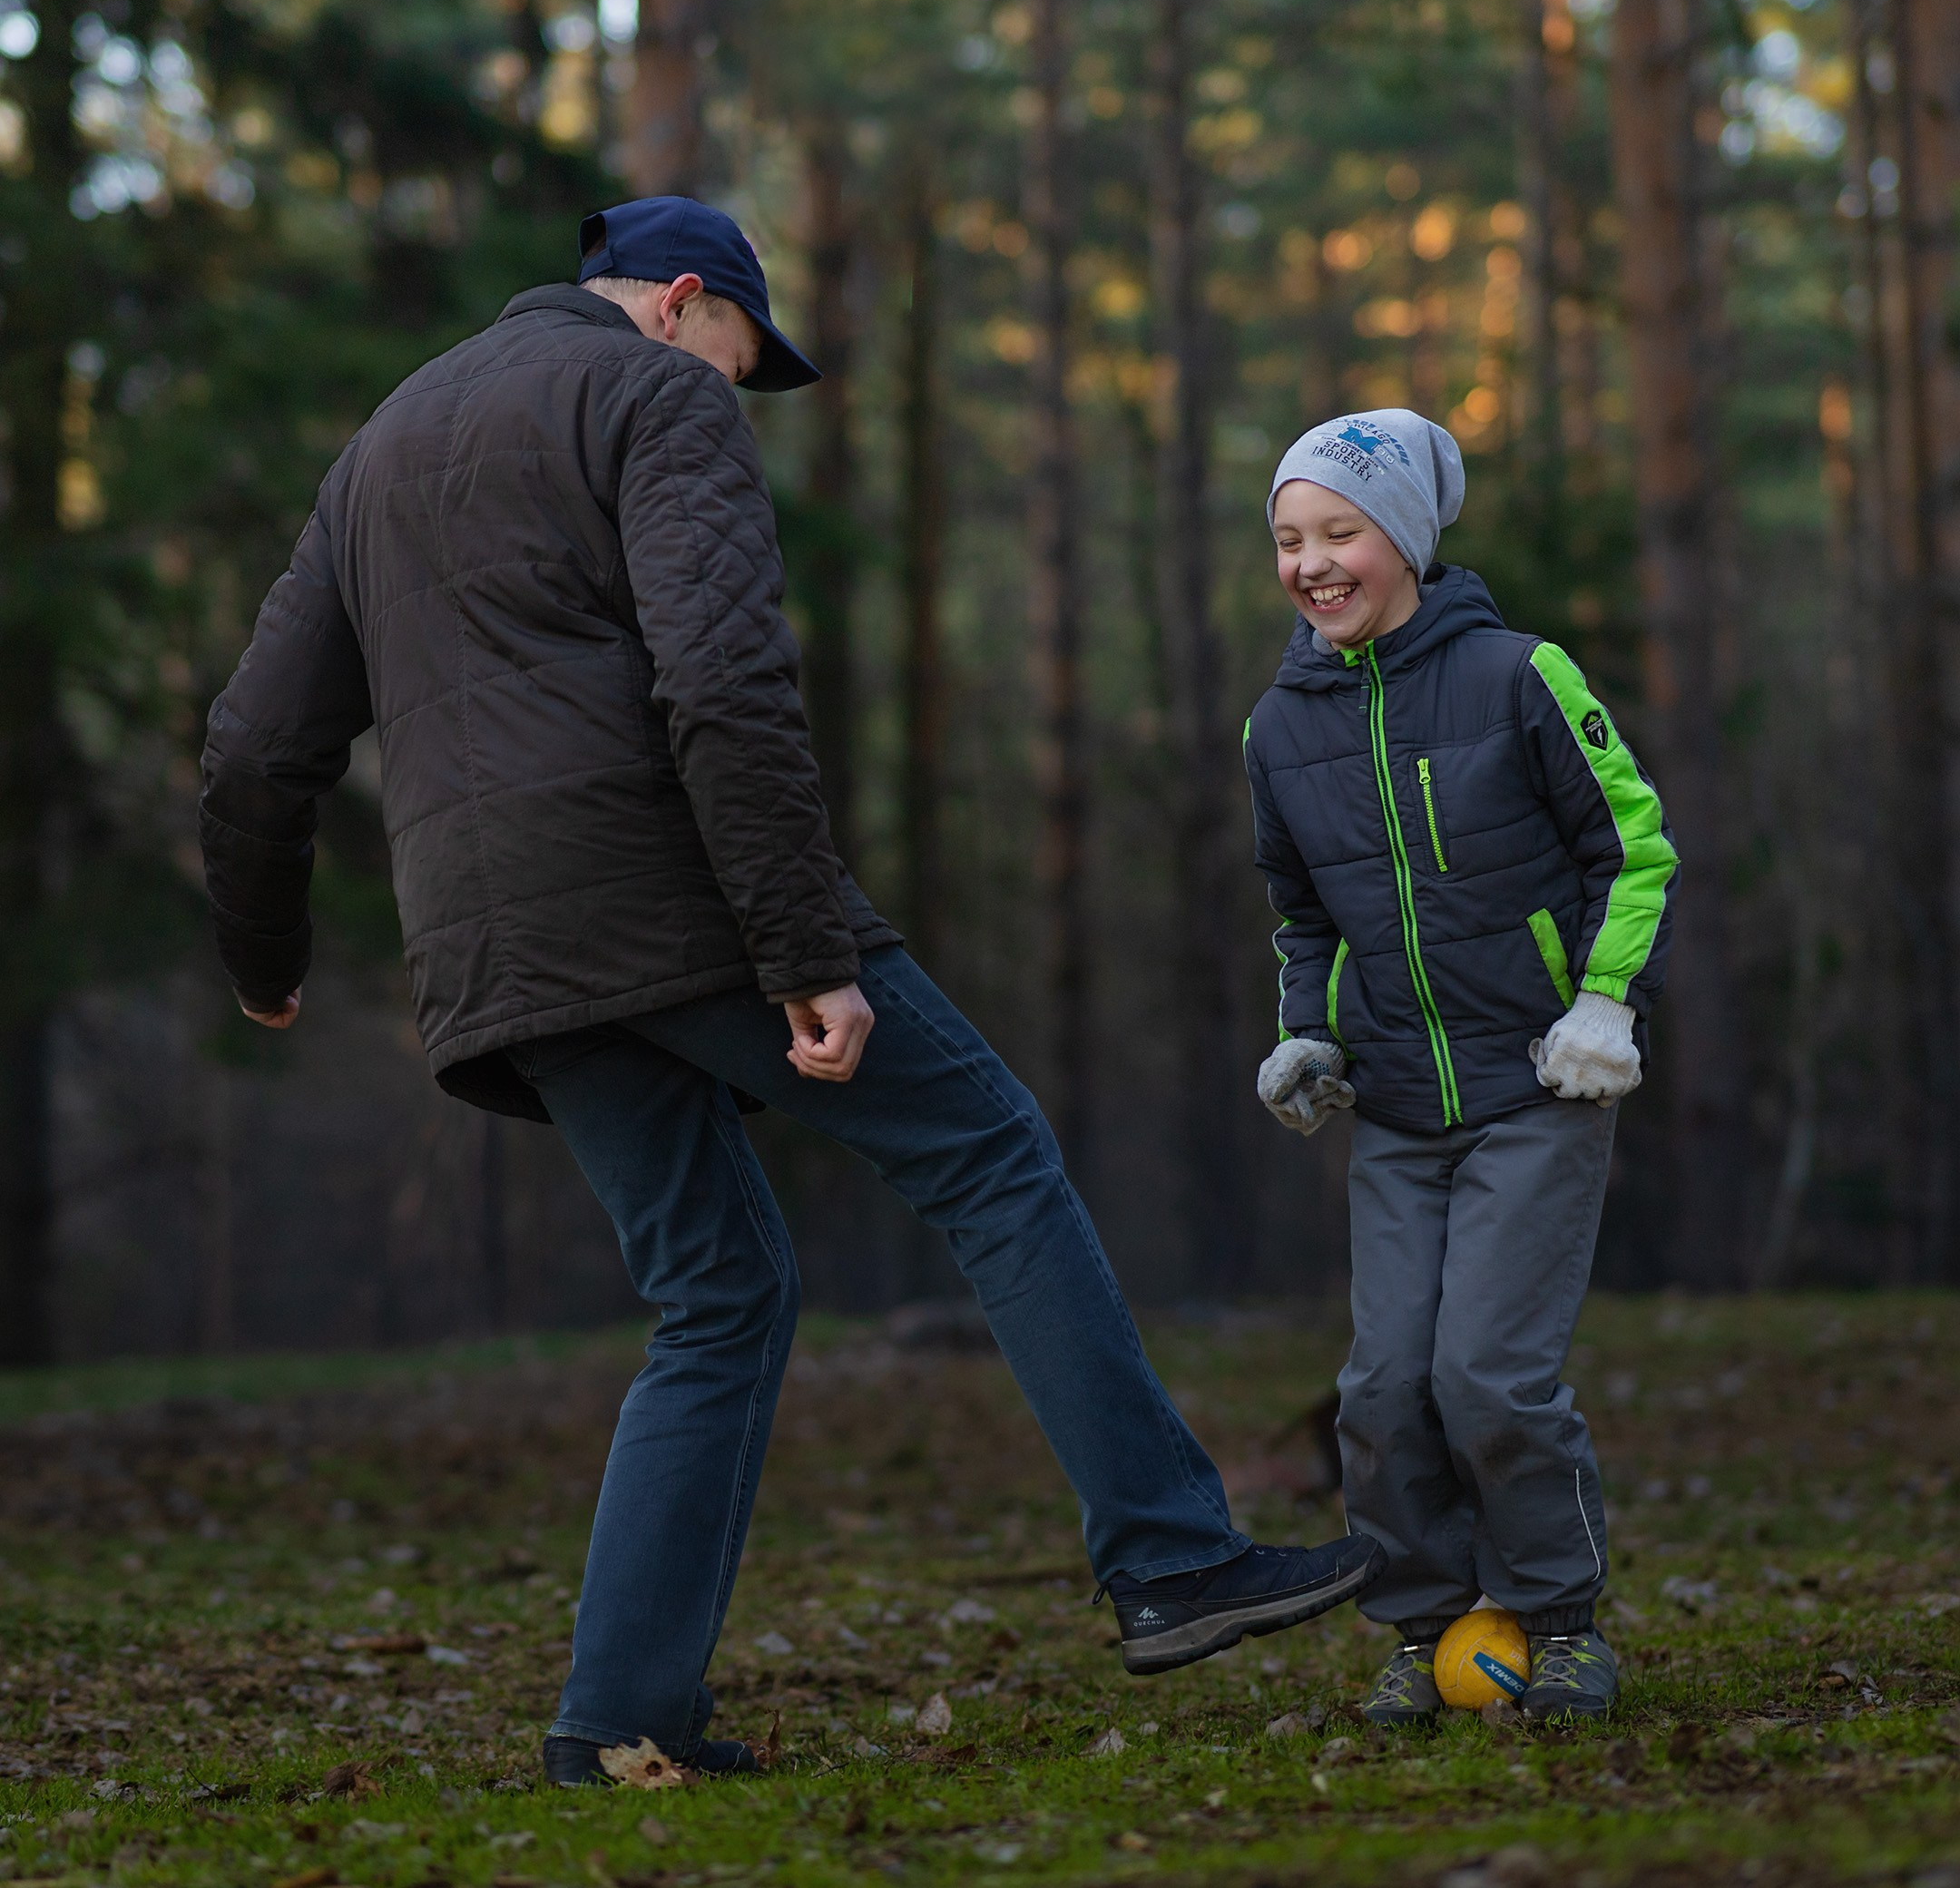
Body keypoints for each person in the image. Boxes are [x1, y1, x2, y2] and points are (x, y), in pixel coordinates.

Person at [199, 196, 1382, 1784]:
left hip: (501, 949)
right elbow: (723, 680)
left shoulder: (383, 447)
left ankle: (620, 1716)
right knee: (989, 1153)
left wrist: (265, 953)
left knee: (716, 1294)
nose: (734, 390)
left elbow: (255, 743)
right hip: (673, 892)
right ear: (685, 303)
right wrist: (807, 953)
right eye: (741, 358)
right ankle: (1171, 1557)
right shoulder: (654, 393)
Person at [1241, 409, 1678, 1723]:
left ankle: (1560, 1622)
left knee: (1488, 1378)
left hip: (1537, 1089)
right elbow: (1303, 913)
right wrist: (1304, 1029)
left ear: (1409, 540)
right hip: (1396, 1108)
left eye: (1341, 533)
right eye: (1288, 539)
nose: (1313, 563)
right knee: (1381, 1388)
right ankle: (1420, 1623)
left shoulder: (1518, 676)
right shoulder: (1278, 727)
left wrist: (1604, 1005)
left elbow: (1633, 849)